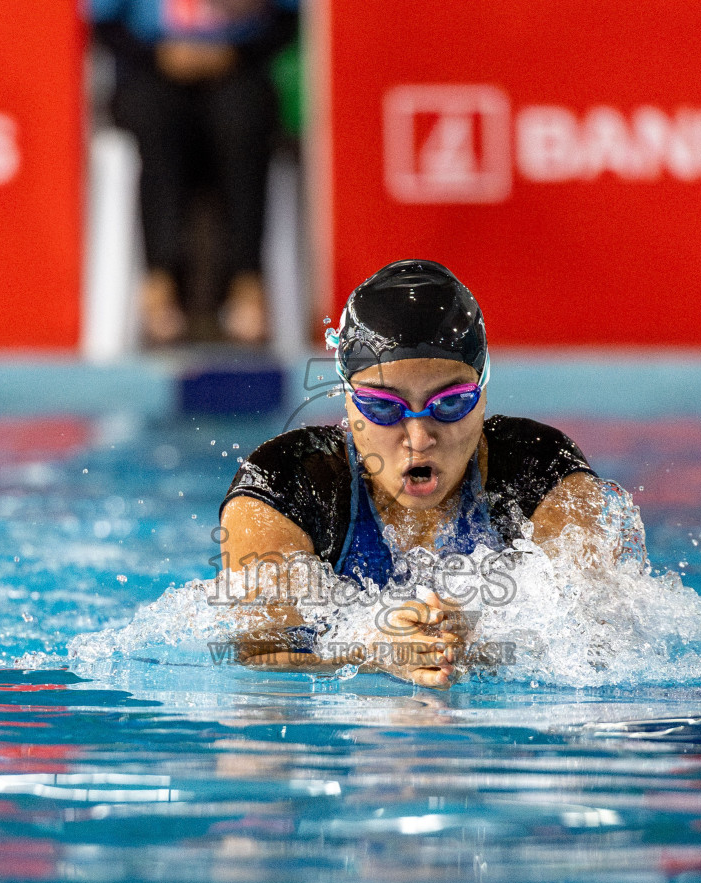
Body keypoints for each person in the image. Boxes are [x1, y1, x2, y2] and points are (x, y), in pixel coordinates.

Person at [219, 260, 640, 688]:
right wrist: (371, 652)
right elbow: (254, 656)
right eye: (383, 406)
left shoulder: (543, 473)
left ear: (483, 392)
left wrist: (483, 639)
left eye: (450, 403)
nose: (418, 438)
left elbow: (601, 642)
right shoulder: (285, 485)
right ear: (347, 400)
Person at [90, 0, 298, 347]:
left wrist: (234, 54)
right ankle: (159, 283)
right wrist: (159, 55)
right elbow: (103, 23)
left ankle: (247, 283)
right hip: (150, 69)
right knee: (156, 122)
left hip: (239, 67)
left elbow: (290, 19)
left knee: (243, 119)